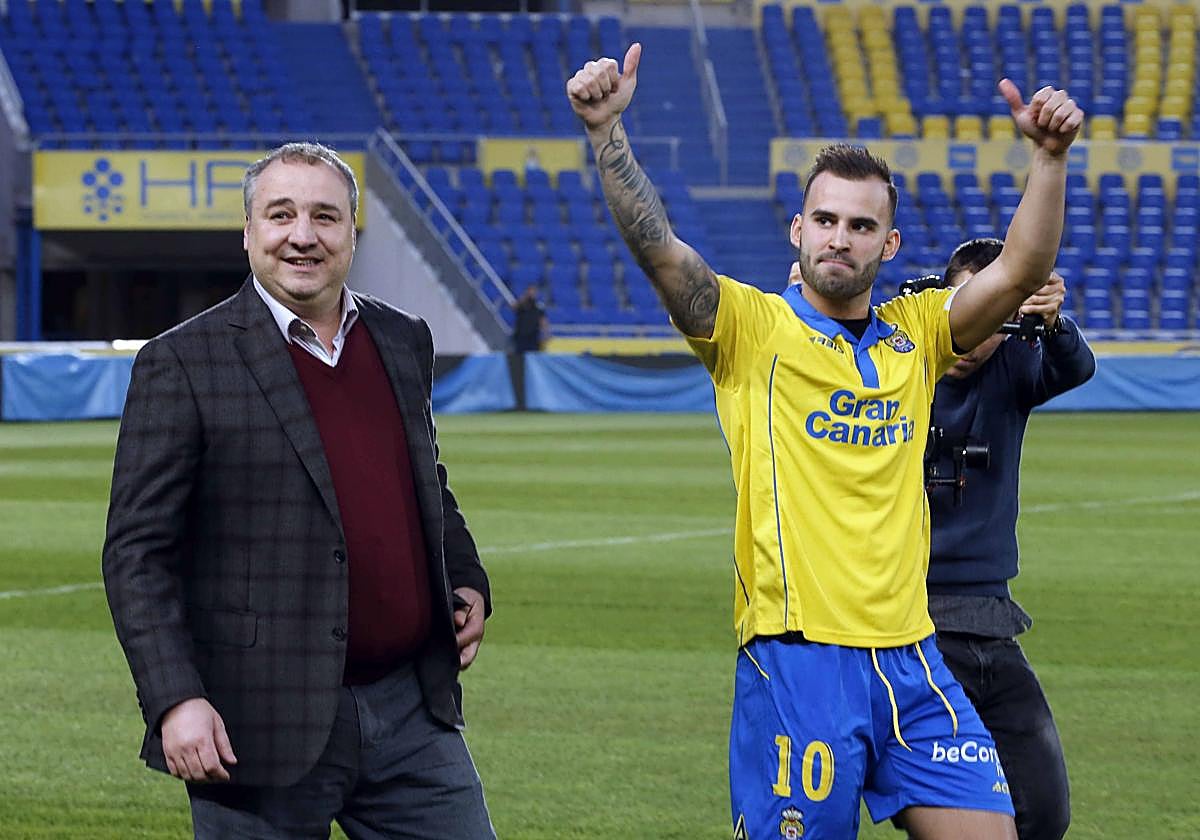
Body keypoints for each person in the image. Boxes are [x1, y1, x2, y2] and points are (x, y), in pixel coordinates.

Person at [567, 43, 1082, 839]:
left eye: (862, 225)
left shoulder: (918, 333)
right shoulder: (750, 328)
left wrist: (1049, 158)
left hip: (913, 660)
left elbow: (1019, 270)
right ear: (799, 229)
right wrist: (607, 134)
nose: (841, 238)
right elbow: (659, 249)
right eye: (828, 221)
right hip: (800, 659)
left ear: (890, 245)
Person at [101, 142, 496, 839]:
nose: (303, 236)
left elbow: (425, 480)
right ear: (249, 231)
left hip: (410, 708)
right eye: (280, 215)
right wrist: (175, 699)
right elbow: (136, 553)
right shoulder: (183, 361)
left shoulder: (402, 339)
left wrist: (465, 576)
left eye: (325, 216)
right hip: (258, 722)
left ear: (352, 230)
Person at [924, 239, 1095, 840]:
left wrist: (1055, 323)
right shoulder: (895, 362)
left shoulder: (1013, 366)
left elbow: (1075, 367)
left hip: (991, 624)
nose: (978, 333)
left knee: (1043, 813)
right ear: (946, 300)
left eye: (1000, 315)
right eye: (972, 305)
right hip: (904, 627)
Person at [511, 283, 548, 352]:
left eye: (534, 291)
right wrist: (523, 298)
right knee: (519, 358)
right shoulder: (522, 304)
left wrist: (545, 334)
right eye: (530, 291)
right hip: (521, 336)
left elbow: (543, 321)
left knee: (533, 358)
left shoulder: (539, 306)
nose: (532, 293)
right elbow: (513, 308)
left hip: (533, 337)